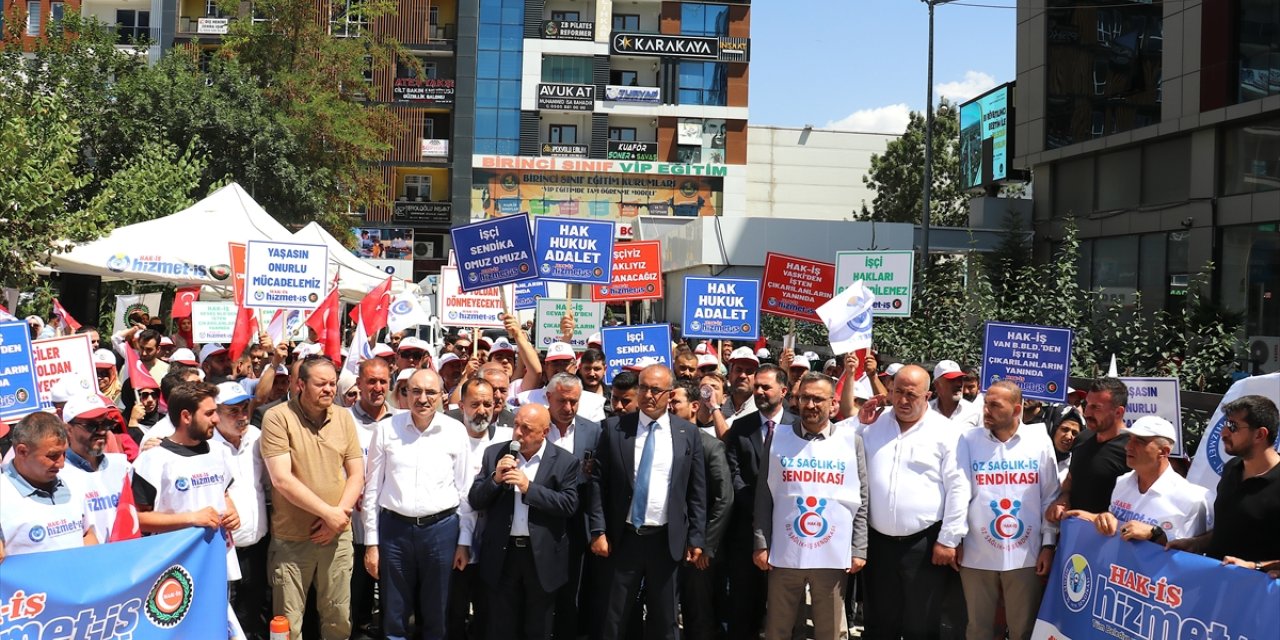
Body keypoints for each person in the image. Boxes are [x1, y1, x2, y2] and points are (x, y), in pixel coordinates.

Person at [589, 364, 706, 640]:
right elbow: (597, 483)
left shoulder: (687, 433)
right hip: (623, 539)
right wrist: (598, 530)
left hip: (665, 541)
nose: (648, 395)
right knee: (614, 617)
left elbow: (696, 490)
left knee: (665, 619)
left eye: (656, 390)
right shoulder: (614, 429)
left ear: (670, 393)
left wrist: (696, 537)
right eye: (643, 388)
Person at [753, 373, 868, 640]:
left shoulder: (851, 442)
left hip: (832, 553)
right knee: (778, 629)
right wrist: (761, 542)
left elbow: (860, 499)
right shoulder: (777, 437)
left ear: (833, 404)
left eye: (818, 399)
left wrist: (859, 548)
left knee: (830, 630)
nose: (811, 405)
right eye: (805, 398)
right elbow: (764, 495)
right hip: (784, 552)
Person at [858, 364, 967, 640]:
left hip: (925, 544)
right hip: (877, 543)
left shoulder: (947, 432)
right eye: (897, 392)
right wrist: (859, 420)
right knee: (879, 620)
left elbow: (958, 487)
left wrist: (949, 540)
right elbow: (839, 440)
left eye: (911, 395)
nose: (903, 401)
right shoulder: (873, 424)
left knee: (921, 623)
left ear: (927, 395)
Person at [362, 369, 471, 640]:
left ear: (442, 396)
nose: (423, 398)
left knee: (437, 612)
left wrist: (464, 542)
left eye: (431, 392)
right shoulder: (386, 429)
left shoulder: (455, 431)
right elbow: (373, 489)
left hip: (441, 532)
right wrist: (372, 543)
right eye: (416, 391)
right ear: (405, 394)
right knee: (394, 612)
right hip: (395, 531)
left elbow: (465, 491)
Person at [262, 356, 366, 640]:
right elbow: (281, 479)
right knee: (287, 623)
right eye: (321, 384)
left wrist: (337, 517)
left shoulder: (344, 417)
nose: (329, 389)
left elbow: (356, 475)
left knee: (338, 618)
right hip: (292, 540)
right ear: (300, 385)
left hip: (337, 537)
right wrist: (328, 513)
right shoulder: (277, 418)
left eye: (333, 383)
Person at [468, 403, 582, 640]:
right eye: (516, 425)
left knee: (537, 627)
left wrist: (528, 487)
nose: (518, 433)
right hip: (503, 554)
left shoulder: (565, 461)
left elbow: (568, 505)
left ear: (545, 432)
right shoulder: (495, 454)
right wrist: (495, 480)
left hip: (540, 557)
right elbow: (476, 500)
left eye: (527, 429)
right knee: (501, 626)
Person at [955, 381, 1059, 640]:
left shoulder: (1039, 440)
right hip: (976, 552)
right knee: (977, 628)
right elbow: (959, 492)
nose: (986, 411)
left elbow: (1050, 496)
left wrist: (1048, 545)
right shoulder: (968, 439)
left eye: (994, 405)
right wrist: (954, 537)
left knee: (1022, 629)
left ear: (1016, 409)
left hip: (1026, 553)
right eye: (985, 404)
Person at [131, 381, 240, 581]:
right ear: (186, 416)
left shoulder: (219, 451)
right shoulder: (153, 459)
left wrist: (231, 511)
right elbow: (137, 519)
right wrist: (191, 518)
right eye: (209, 413)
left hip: (219, 562)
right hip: (175, 570)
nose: (216, 419)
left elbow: (223, 493)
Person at [721, 363, 793, 639]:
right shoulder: (741, 428)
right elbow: (734, 473)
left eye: (766, 387)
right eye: (757, 387)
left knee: (781, 605)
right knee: (743, 603)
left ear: (783, 391)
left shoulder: (797, 426)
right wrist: (758, 510)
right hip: (747, 528)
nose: (760, 391)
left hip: (789, 529)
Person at [1167, 395, 1280, 569]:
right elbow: (1227, 529)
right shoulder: (1232, 468)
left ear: (1260, 434)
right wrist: (1196, 544)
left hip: (1258, 592)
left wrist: (1255, 566)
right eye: (1226, 424)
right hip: (1217, 584)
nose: (1223, 433)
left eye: (1233, 427)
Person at [1066, 415, 1210, 545]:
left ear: (1164, 452)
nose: (1128, 447)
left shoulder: (1191, 499)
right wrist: (1099, 518)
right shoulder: (1122, 482)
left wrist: (1154, 534)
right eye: (1130, 439)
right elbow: (1116, 526)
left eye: (1140, 441)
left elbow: (1189, 555)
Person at [446, 377, 514, 640]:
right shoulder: (446, 437)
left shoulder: (507, 442)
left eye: (488, 403)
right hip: (454, 542)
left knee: (488, 615)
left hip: (492, 546)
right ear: (461, 405)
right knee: (453, 611)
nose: (482, 410)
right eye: (475, 404)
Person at [668, 380, 733, 640]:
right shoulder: (662, 442)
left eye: (676, 402)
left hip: (699, 550)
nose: (670, 406)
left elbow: (724, 499)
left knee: (700, 614)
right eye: (669, 401)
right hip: (668, 544)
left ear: (694, 406)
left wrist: (707, 545)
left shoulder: (710, 446)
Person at [540, 373, 602, 640]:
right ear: (548, 398)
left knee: (571, 590)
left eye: (574, 402)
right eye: (562, 401)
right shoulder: (535, 425)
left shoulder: (593, 431)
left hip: (576, 522)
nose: (568, 408)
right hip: (538, 520)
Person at [214, 381, 272, 640]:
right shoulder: (207, 447)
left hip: (257, 546)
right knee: (226, 615)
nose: (242, 416)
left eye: (245, 408)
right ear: (215, 414)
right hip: (224, 552)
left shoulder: (258, 437)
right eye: (233, 411)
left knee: (253, 611)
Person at [0, 412, 99, 560]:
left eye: (64, 453)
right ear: (22, 451)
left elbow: (87, 534)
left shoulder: (74, 480)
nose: (61, 463)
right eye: (52, 456)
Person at [348, 358, 397, 639]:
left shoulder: (401, 419)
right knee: (356, 592)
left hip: (388, 523)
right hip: (352, 522)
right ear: (359, 384)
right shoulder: (343, 419)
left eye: (383, 381)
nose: (378, 388)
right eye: (371, 381)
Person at [1045, 378, 1131, 522]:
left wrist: (1096, 519)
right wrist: (1063, 500)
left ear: (1118, 412)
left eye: (1096, 407)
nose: (1087, 413)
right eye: (1087, 405)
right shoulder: (1082, 438)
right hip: (1072, 535)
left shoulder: (1132, 449)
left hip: (1110, 540)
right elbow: (1070, 480)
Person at [58, 393, 133, 542]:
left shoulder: (123, 466)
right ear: (69, 429)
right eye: (91, 425)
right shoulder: (58, 475)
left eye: (105, 423)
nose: (101, 431)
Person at [518, 343, 607, 422]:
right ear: (546, 367)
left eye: (565, 363)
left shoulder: (594, 403)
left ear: (575, 367)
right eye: (555, 363)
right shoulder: (526, 400)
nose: (560, 368)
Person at [930, 360, 981, 429]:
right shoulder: (925, 411)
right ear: (937, 385)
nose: (959, 384)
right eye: (952, 380)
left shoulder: (976, 412)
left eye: (960, 379)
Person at [722, 347, 760, 426]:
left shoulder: (762, 409)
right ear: (730, 375)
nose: (742, 375)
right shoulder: (720, 406)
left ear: (756, 378)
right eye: (738, 370)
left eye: (749, 371)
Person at [1049, 408, 1084, 484]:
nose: (1069, 436)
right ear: (1053, 429)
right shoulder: (1035, 459)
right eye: (1065, 429)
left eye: (1074, 433)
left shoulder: (1078, 468)